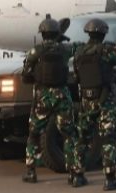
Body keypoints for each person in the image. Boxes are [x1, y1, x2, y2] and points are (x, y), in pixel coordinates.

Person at [70, 18, 116, 190]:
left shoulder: (79, 52)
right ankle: (110, 179)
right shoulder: (106, 51)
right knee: (107, 139)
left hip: (86, 100)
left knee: (82, 138)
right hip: (104, 101)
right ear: (103, 34)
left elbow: (76, 76)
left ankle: (78, 176)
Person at [21, 16, 76, 184]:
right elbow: (79, 48)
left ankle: (31, 172)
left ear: (42, 33)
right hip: (62, 95)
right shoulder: (65, 49)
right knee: (68, 134)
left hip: (42, 96)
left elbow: (26, 74)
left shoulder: (36, 51)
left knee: (34, 134)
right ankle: (74, 174)